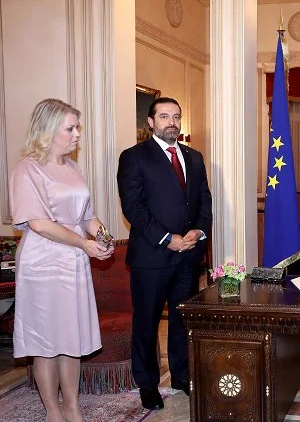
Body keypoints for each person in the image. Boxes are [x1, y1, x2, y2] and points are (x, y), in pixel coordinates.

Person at [9, 99, 114, 422]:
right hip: (43, 261)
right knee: (46, 340)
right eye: (70, 128)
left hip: (74, 259)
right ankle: (53, 411)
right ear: (49, 130)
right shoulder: (27, 168)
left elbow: (87, 215)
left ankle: (73, 406)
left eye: (77, 127)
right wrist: (84, 243)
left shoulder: (72, 168)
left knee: (71, 336)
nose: (77, 134)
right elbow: (38, 223)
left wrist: (103, 237)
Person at [117, 97, 212, 410]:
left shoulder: (194, 157)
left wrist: (198, 231)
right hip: (151, 258)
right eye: (164, 116)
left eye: (176, 116)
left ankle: (182, 376)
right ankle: (147, 383)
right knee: (146, 322)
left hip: (188, 257)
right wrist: (165, 238)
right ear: (151, 122)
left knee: (182, 322)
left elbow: (203, 201)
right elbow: (134, 207)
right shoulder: (133, 157)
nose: (172, 122)